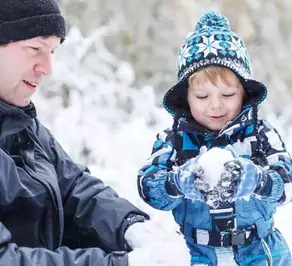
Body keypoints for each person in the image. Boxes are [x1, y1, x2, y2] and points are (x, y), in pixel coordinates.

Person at [0, 0, 175, 265]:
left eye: (52, 52)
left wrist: (130, 228)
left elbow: (73, 186)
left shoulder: (22, 125)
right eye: (35, 48)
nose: (47, 68)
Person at [137, 11, 292, 266]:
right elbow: (148, 188)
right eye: (202, 97)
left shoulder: (261, 135)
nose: (215, 106)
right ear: (186, 97)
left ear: (244, 93)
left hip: (259, 254)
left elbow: (290, 183)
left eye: (227, 95)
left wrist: (257, 179)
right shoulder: (174, 141)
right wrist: (177, 182)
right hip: (196, 255)